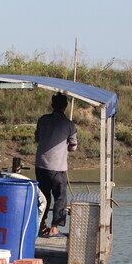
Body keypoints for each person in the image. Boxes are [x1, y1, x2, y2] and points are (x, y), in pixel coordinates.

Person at [35, 93, 77, 237]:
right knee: (60, 197)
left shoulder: (43, 120)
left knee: (43, 197)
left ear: (52, 105)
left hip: (41, 165)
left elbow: (37, 137)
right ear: (65, 107)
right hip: (58, 168)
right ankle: (54, 228)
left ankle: (40, 224)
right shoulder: (69, 124)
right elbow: (73, 147)